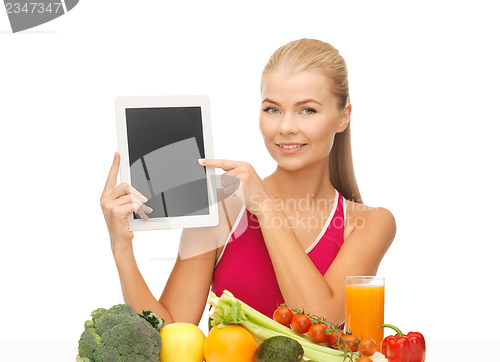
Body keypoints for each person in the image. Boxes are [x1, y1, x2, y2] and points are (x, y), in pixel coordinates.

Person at [100, 38, 396, 327]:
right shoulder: (219, 210)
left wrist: (267, 208)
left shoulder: (369, 224)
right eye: (272, 109)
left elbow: (322, 320)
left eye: (308, 110)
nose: (286, 127)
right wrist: (121, 248)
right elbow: (170, 336)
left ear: (343, 117)